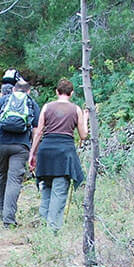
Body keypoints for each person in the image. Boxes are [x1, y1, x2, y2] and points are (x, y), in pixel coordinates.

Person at [26, 78, 88, 230]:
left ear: (56, 92)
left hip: (46, 152)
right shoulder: (76, 109)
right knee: (59, 194)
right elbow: (83, 135)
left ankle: (42, 227)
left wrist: (32, 155)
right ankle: (52, 230)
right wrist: (85, 118)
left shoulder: (47, 107)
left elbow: (39, 132)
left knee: (46, 190)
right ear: (71, 93)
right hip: (64, 154)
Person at [0, 74, 39, 227]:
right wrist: (33, 152)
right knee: (14, 180)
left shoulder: (3, 100)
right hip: (20, 147)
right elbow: (36, 131)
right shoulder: (31, 103)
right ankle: (9, 220)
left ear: (14, 89)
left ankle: (1, 213)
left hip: (1, 144)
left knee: (0, 175)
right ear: (28, 91)